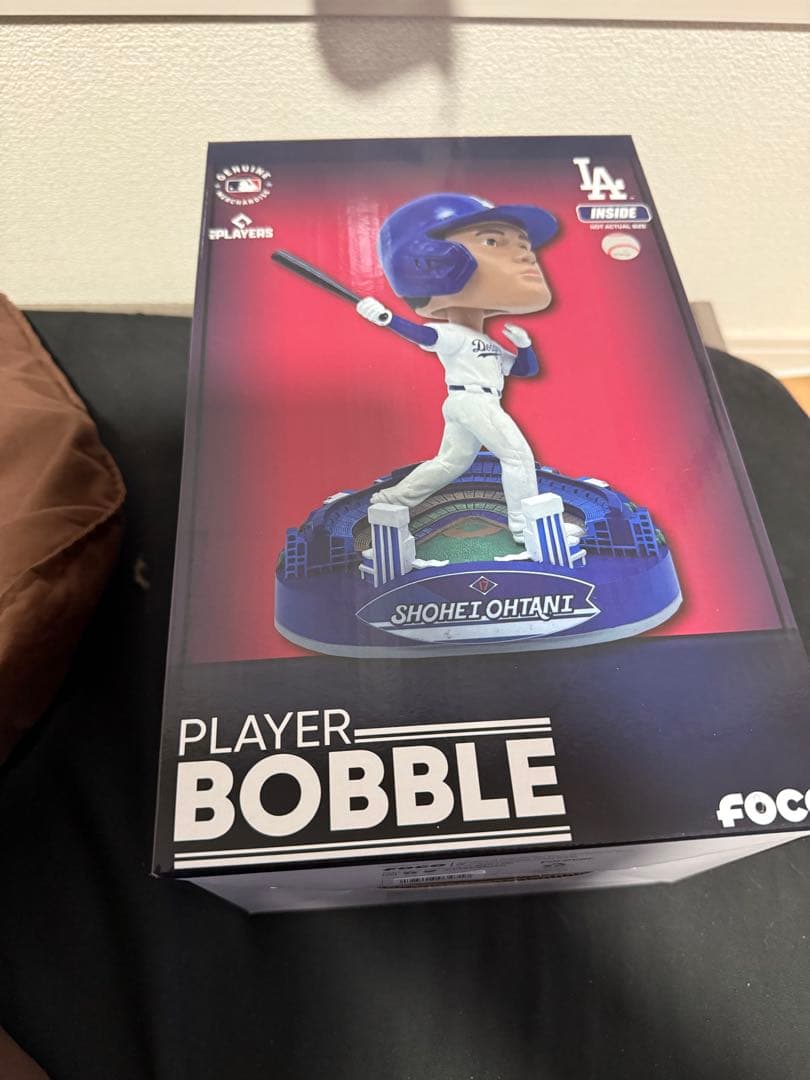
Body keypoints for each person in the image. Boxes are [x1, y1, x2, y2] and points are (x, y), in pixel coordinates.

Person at [356, 192, 557, 545]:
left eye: (524, 243)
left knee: (451, 463)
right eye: (492, 240)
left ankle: (392, 498)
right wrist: (387, 319)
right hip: (471, 401)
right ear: (434, 261)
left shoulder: (485, 341)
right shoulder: (451, 335)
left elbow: (524, 371)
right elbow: (424, 335)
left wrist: (524, 346)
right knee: (517, 456)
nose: (527, 253)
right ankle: (526, 527)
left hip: (477, 402)